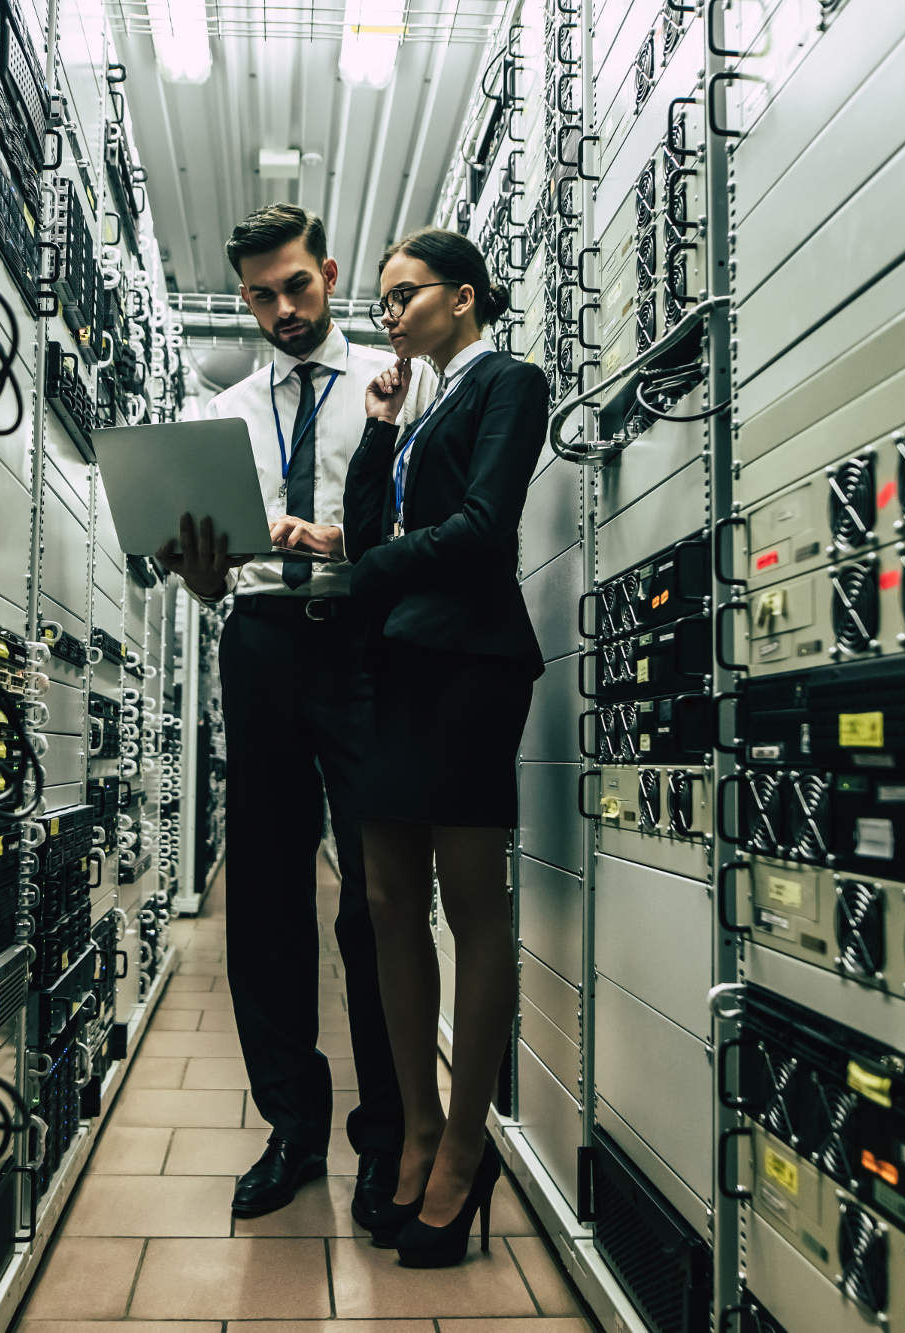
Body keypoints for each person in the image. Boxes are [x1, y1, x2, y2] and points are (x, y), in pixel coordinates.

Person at [153, 203, 439, 1227]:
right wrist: (196, 571)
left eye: (296, 287)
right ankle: (291, 1128)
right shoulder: (224, 410)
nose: (281, 308)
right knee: (266, 891)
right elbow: (208, 573)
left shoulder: (396, 388)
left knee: (374, 894)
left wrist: (347, 544)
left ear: (326, 274)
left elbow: (428, 527)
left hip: (363, 643)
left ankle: (385, 1137)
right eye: (261, 296)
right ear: (244, 299)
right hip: (262, 639)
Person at [277, 226, 546, 1268]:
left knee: (471, 903)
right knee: (385, 898)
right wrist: (380, 431)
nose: (387, 318)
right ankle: (419, 1130)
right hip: (394, 663)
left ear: (463, 298)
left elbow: (483, 529)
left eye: (403, 297)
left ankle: (465, 1145)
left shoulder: (507, 385)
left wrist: (368, 571)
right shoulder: (422, 403)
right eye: (382, 302)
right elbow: (366, 520)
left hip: (469, 663)